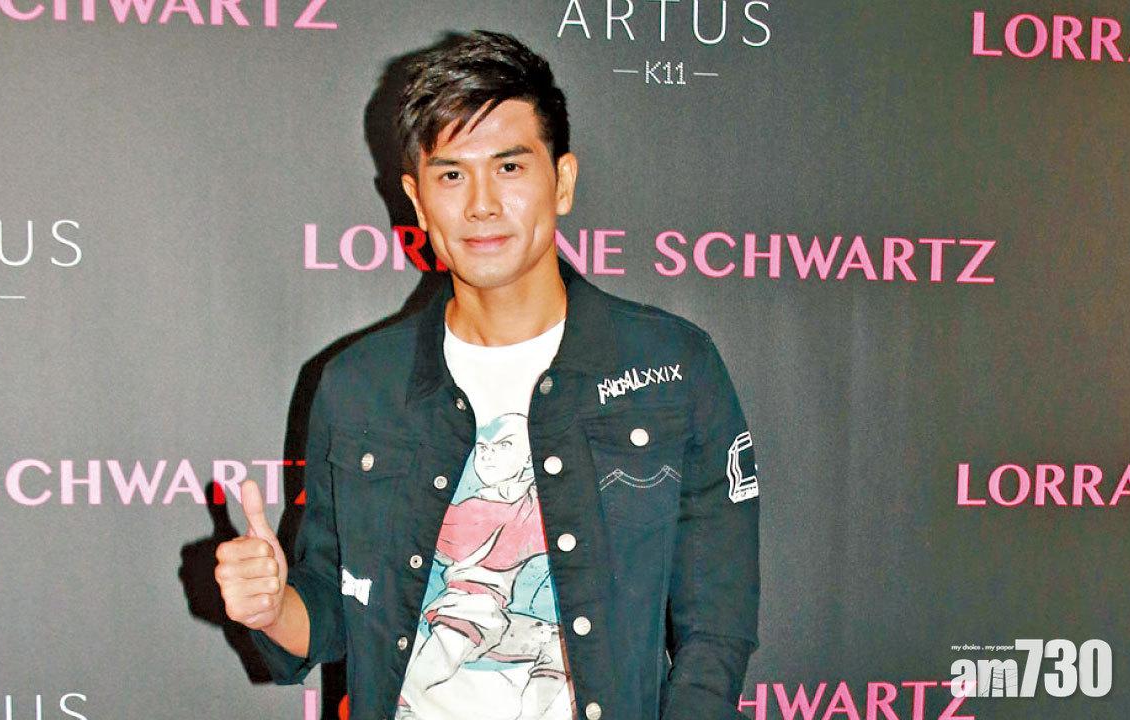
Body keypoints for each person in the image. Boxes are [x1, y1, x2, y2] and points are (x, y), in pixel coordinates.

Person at [215, 29, 760, 720]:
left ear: (562, 181)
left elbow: (717, 626)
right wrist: (271, 607)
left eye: (508, 167)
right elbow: (330, 608)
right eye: (451, 175)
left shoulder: (672, 367)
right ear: (417, 201)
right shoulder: (358, 386)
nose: (480, 204)